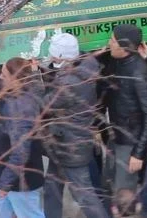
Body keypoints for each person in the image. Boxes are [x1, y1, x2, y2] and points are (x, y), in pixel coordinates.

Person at [42, 33, 108, 218]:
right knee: (52, 187)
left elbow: (46, 103)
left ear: (61, 57)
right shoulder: (87, 64)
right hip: (66, 140)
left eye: (53, 54)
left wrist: (34, 77)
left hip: (70, 146)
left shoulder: (68, 83)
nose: (51, 56)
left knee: (85, 196)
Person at [104, 24, 147, 211]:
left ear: (124, 46)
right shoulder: (118, 62)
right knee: (111, 185)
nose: (109, 43)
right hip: (117, 137)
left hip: (129, 143)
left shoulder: (138, 72)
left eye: (112, 40)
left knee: (124, 196)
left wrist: (138, 153)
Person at [0, 57, 45, 218]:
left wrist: (5, 184)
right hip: (4, 174)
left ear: (16, 79)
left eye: (4, 75)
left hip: (17, 180)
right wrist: (34, 72)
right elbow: (38, 90)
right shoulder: (24, 94)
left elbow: (20, 152)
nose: (0, 78)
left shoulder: (20, 109)